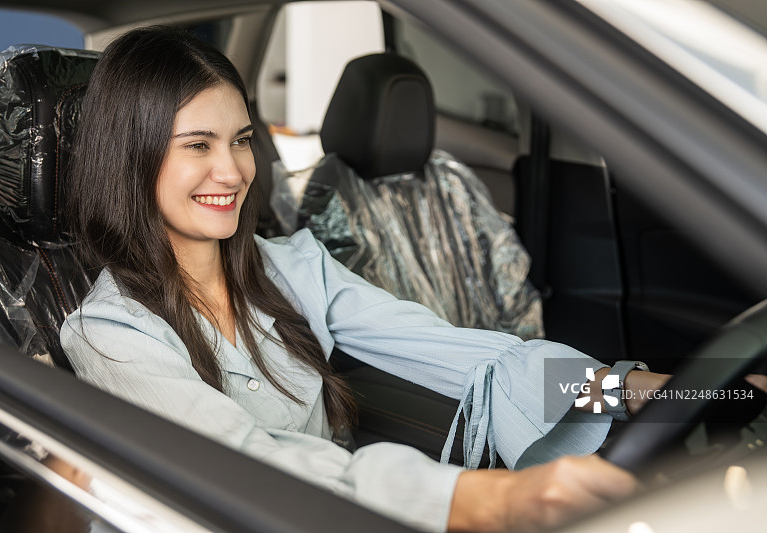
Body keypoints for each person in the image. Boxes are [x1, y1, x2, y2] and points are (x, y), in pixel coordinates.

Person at [60, 26, 670, 533]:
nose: (234, 170)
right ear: (131, 156)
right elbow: (249, 467)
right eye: (198, 144)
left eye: (243, 140)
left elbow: (486, 361)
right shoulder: (109, 332)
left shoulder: (292, 266)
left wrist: (659, 393)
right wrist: (486, 501)